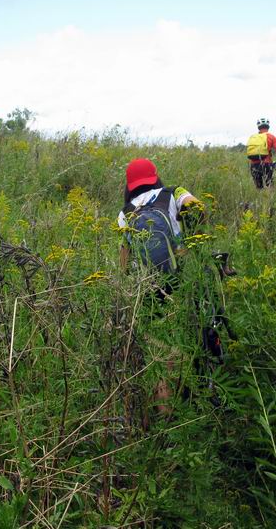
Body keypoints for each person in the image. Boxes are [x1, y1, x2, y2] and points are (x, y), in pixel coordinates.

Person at [117, 158, 204, 416]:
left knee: (157, 346)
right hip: (179, 280)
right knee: (182, 341)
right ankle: (183, 407)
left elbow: (124, 261)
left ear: (130, 185)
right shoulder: (173, 192)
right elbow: (198, 208)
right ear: (155, 177)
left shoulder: (125, 212)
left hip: (146, 288)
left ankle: (160, 410)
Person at [246, 118, 276, 189]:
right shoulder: (271, 137)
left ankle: (260, 200)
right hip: (266, 164)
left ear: (258, 127)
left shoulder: (253, 137)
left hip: (253, 165)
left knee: (258, 188)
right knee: (270, 186)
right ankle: (271, 200)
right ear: (268, 126)